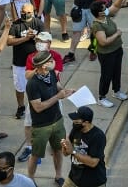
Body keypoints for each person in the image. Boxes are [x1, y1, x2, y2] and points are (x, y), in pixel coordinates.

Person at [25, 50, 75, 184]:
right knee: (36, 154)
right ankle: (30, 178)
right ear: (43, 66)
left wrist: (65, 91)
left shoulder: (51, 73)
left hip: (57, 120)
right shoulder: (32, 84)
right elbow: (38, 107)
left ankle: (58, 175)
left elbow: (57, 86)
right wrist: (58, 97)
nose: (53, 61)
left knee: (58, 150)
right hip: (41, 126)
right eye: (50, 60)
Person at [89, 0, 128, 108]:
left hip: (117, 50)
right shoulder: (97, 26)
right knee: (106, 75)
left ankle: (117, 91)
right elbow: (103, 42)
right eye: (104, 8)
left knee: (117, 71)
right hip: (107, 54)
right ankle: (102, 97)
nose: (106, 9)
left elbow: (115, 7)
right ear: (99, 13)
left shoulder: (106, 17)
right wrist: (117, 34)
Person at [61, 106, 106, 187]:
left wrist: (73, 151)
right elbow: (66, 153)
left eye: (77, 120)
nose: (73, 121)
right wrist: (65, 146)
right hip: (73, 179)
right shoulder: (76, 130)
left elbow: (93, 162)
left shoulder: (98, 136)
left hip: (92, 182)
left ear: (86, 122)